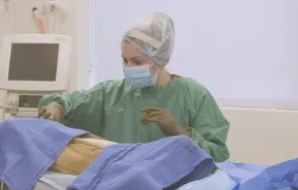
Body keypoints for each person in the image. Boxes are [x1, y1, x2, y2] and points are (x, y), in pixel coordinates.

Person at [38, 12, 230, 162]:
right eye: (125, 60)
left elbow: (218, 156)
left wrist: (179, 132)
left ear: (161, 58)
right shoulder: (111, 93)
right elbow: (77, 102)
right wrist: (58, 106)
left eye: (137, 61)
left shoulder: (194, 96)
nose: (128, 68)